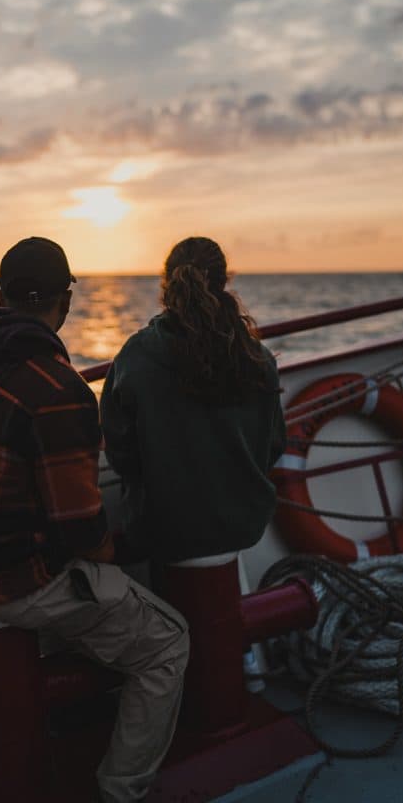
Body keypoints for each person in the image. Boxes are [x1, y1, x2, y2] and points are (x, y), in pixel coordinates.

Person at [0, 236, 189, 803]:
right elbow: (81, 532)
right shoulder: (60, 391)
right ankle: (122, 790)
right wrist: (127, 550)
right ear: (66, 302)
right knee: (168, 644)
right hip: (9, 583)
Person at [100, 236, 286, 566]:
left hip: (161, 530)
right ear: (225, 281)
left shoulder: (135, 357)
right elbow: (272, 446)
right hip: (244, 524)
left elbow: (121, 454)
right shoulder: (258, 359)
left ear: (166, 285)